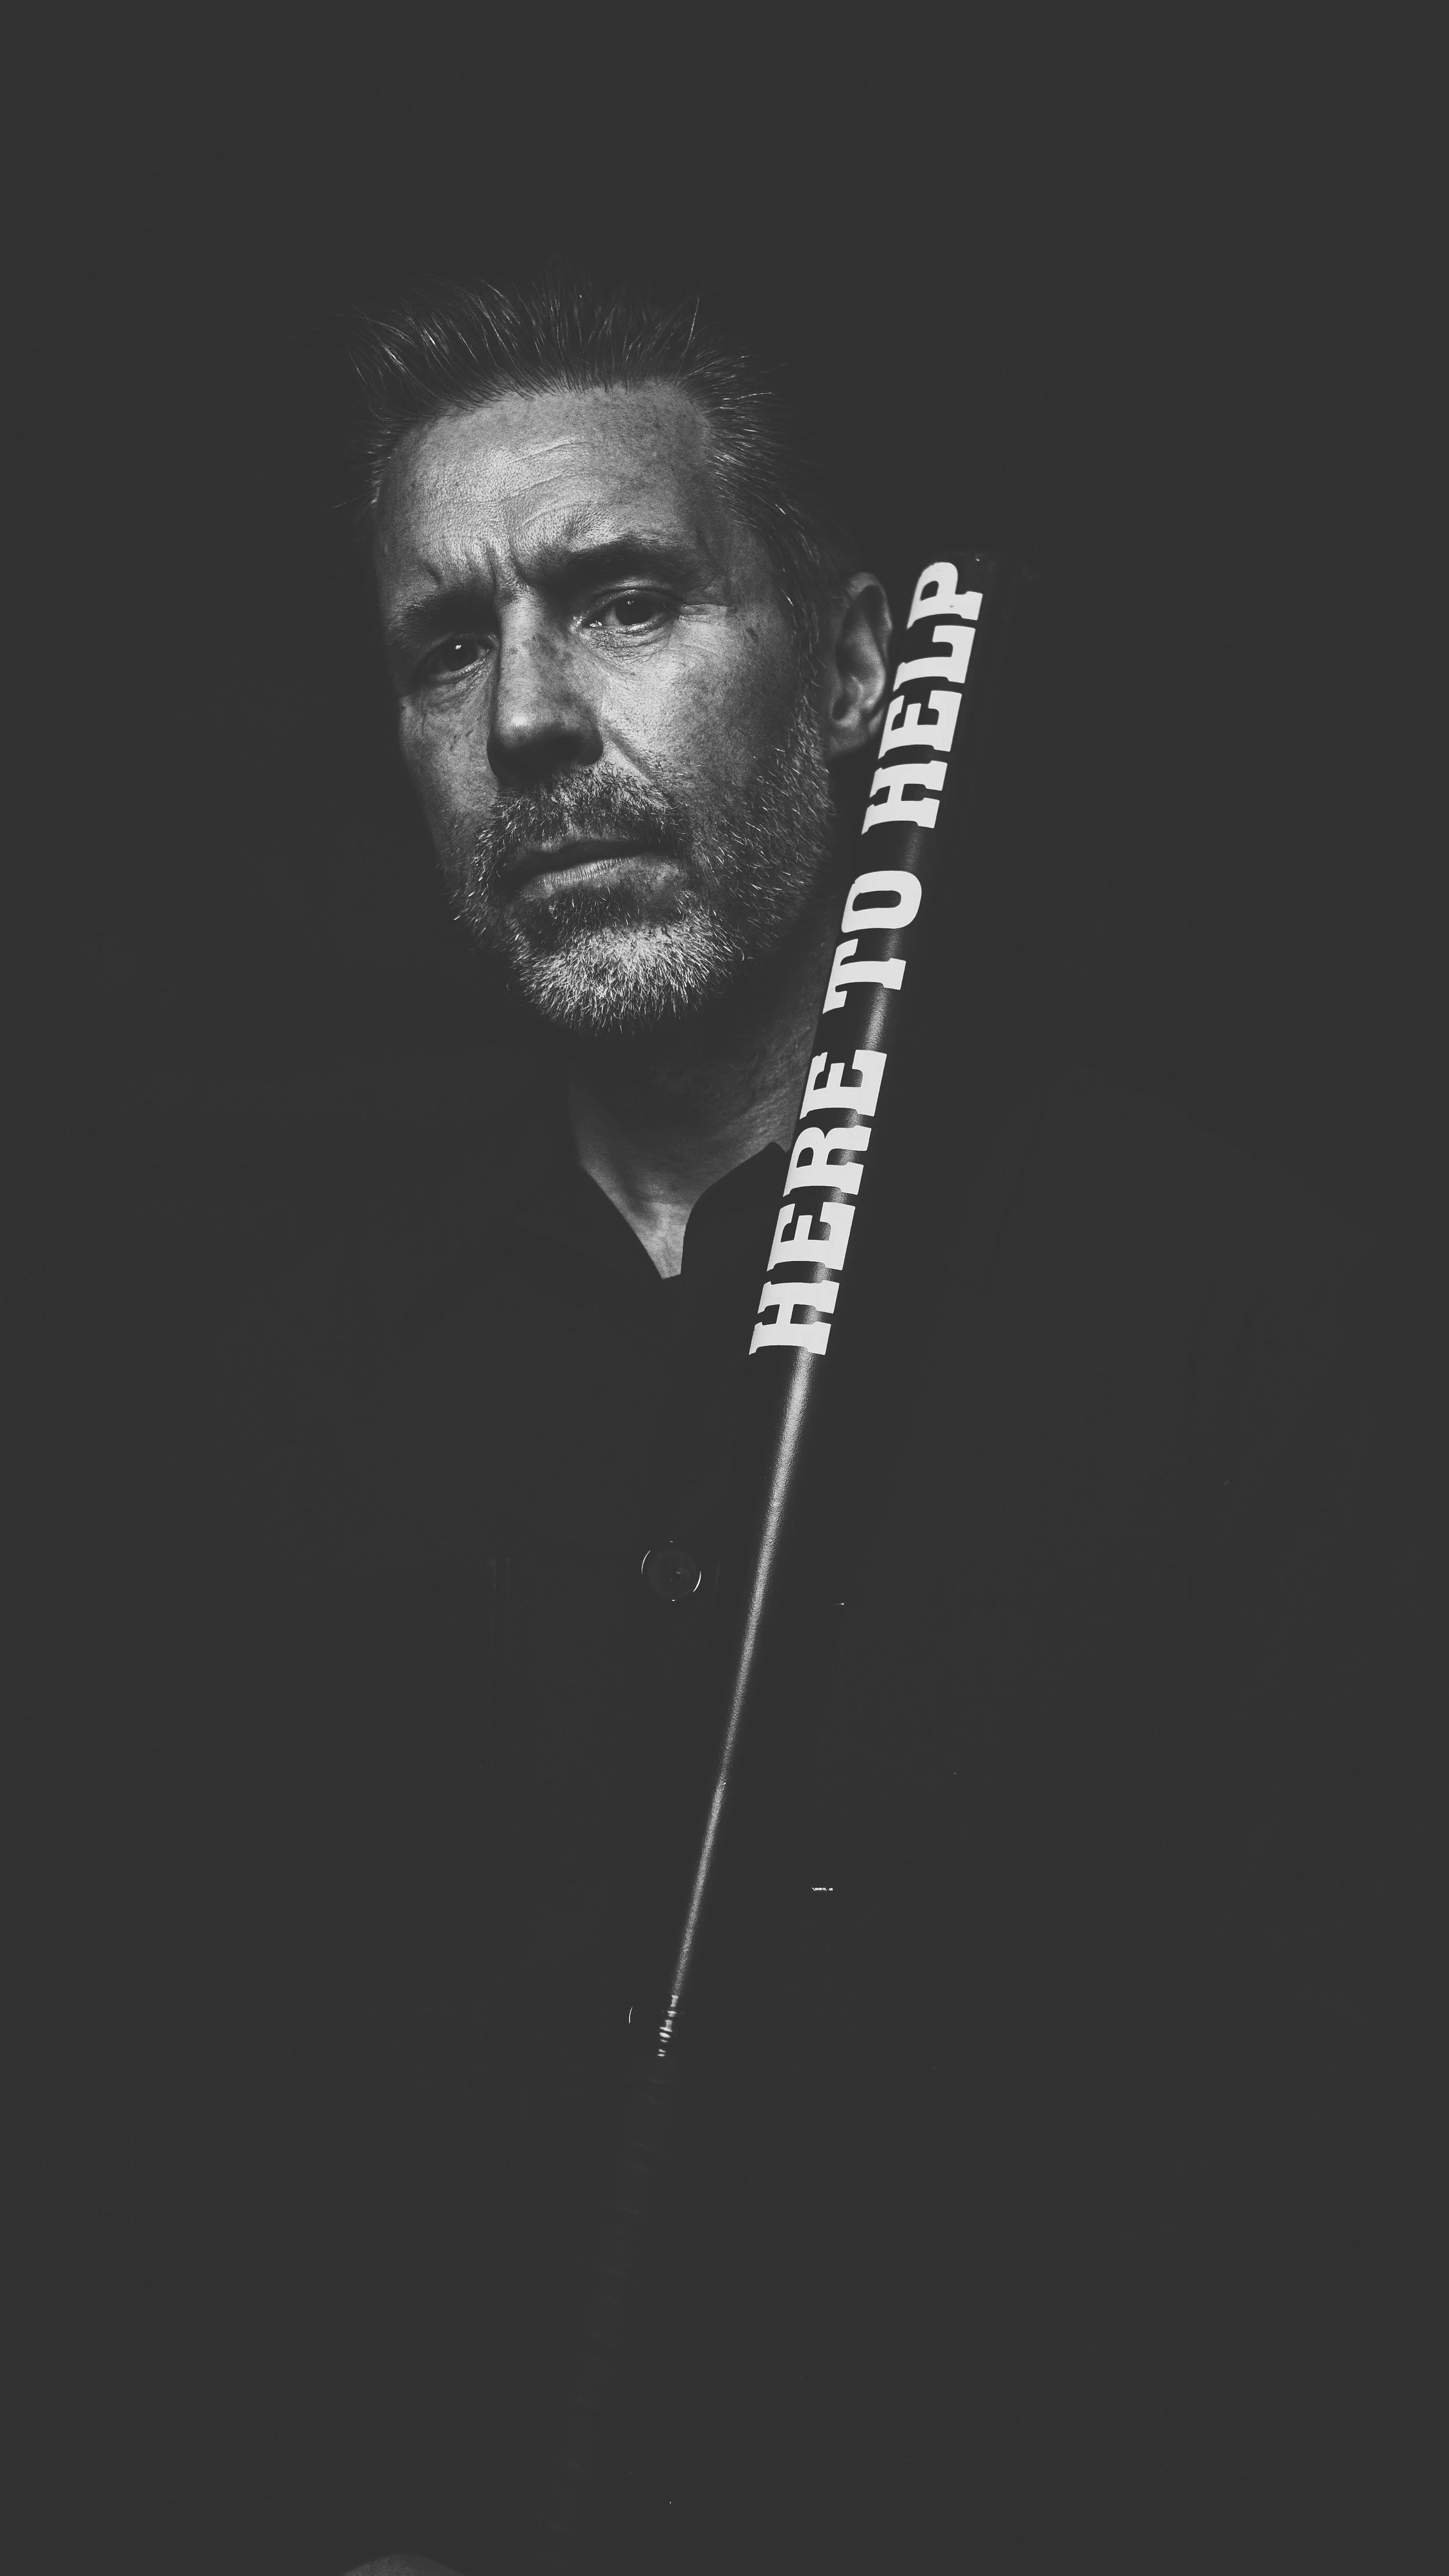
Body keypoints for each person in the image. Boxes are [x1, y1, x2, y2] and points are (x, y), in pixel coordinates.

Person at [52, 277, 1446, 2575]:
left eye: (621, 600)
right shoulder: (295, 1384)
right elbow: (139, 2084)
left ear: (860, 664)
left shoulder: (1234, 1315)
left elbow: (1334, 2132)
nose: (525, 721)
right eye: (440, 645)